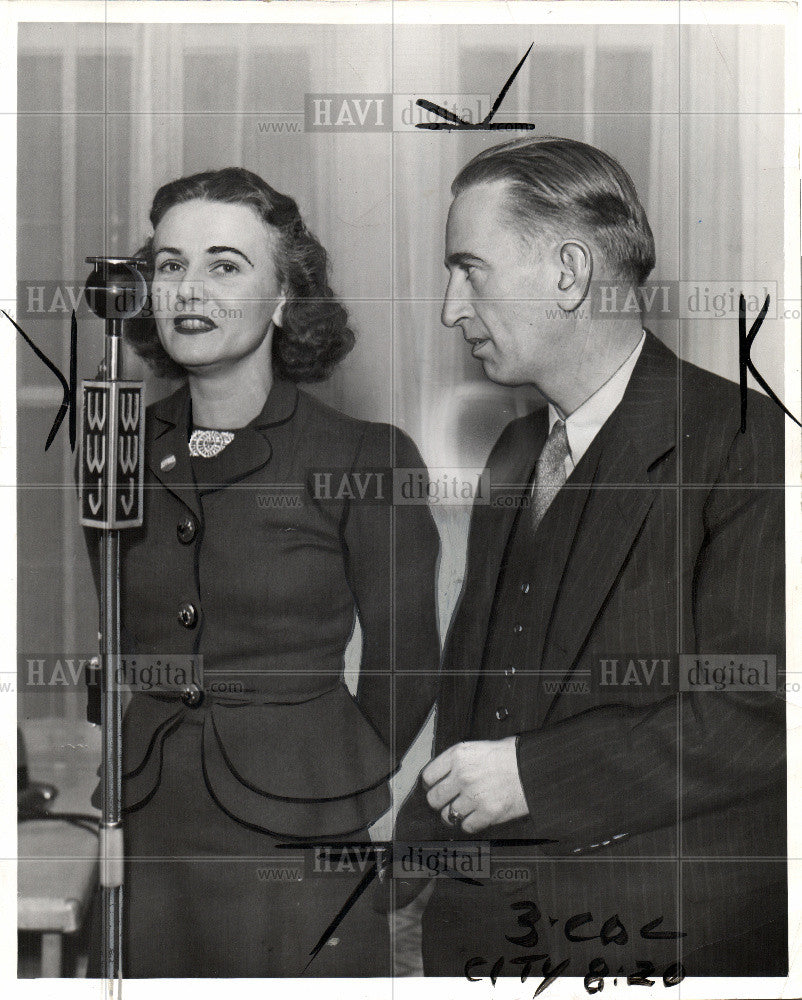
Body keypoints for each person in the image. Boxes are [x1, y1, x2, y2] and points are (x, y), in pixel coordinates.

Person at [394, 136, 786, 978]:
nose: (450, 309)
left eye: (470, 269)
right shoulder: (513, 452)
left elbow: (757, 717)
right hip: (484, 938)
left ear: (570, 273)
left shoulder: (750, 447)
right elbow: (478, 695)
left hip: (669, 940)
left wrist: (533, 776)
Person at [85, 166, 440, 977]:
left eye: (224, 264)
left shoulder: (365, 457)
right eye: (169, 265)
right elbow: (116, 619)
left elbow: (407, 660)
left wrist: (331, 762)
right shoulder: (115, 447)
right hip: (148, 816)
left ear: (285, 297)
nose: (188, 288)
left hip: (304, 820)